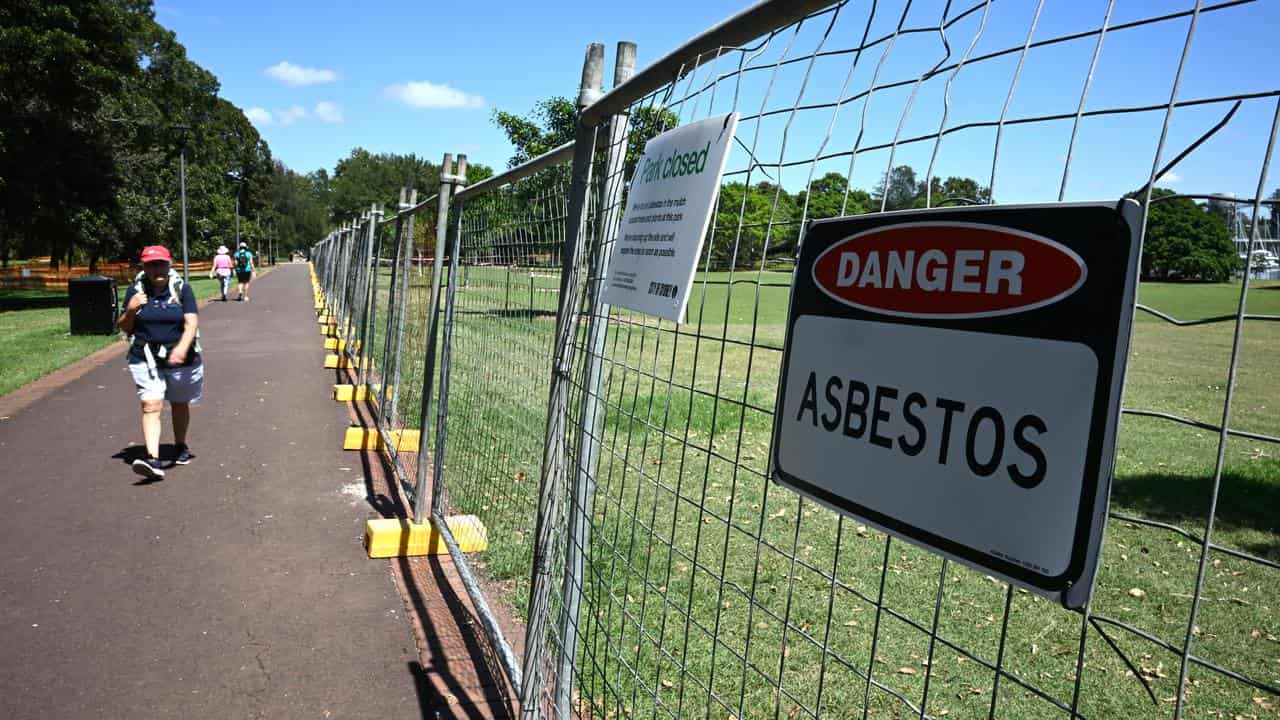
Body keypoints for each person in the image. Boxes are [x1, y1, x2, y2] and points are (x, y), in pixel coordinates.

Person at [117, 245, 203, 481]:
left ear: (169, 264)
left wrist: (182, 348)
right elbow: (124, 326)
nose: (157, 269)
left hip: (182, 358)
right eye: (151, 265)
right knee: (151, 405)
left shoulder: (182, 289)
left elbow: (192, 322)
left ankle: (180, 445)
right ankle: (152, 458)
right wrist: (132, 309)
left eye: (161, 264)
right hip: (145, 357)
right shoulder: (135, 290)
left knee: (179, 403)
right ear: (144, 268)